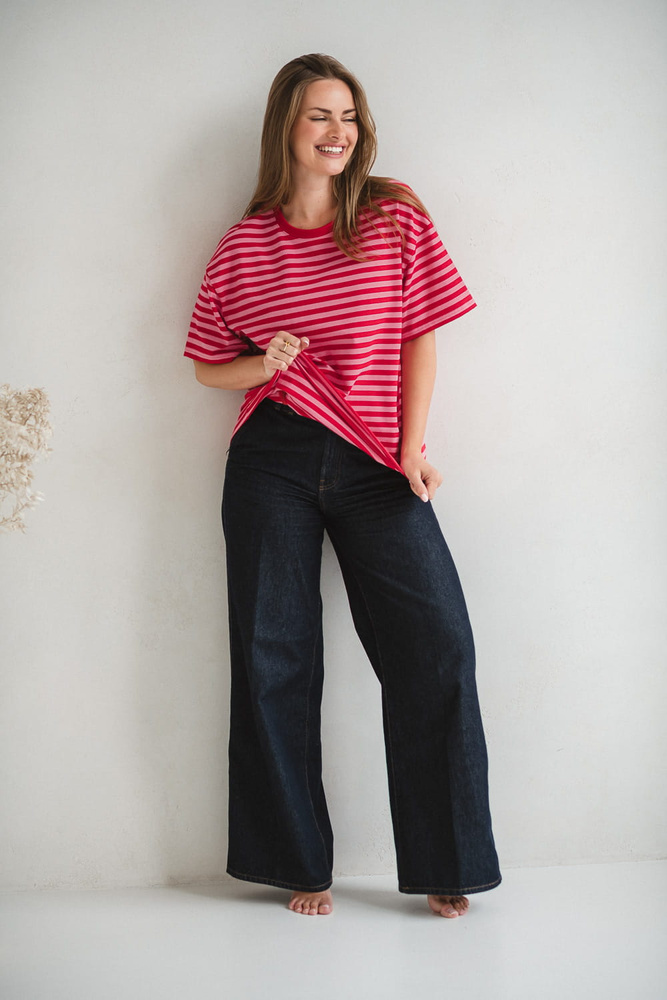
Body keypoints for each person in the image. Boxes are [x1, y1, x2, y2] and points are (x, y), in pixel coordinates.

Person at [184, 53, 501, 919]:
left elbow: (420, 333)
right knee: (272, 655)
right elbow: (207, 364)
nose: (338, 132)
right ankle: (296, 860)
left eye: (349, 116)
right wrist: (263, 362)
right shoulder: (244, 245)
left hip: (374, 461)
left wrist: (410, 447)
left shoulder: (392, 216)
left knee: (436, 646)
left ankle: (447, 860)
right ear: (285, 126)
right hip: (272, 459)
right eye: (319, 115)